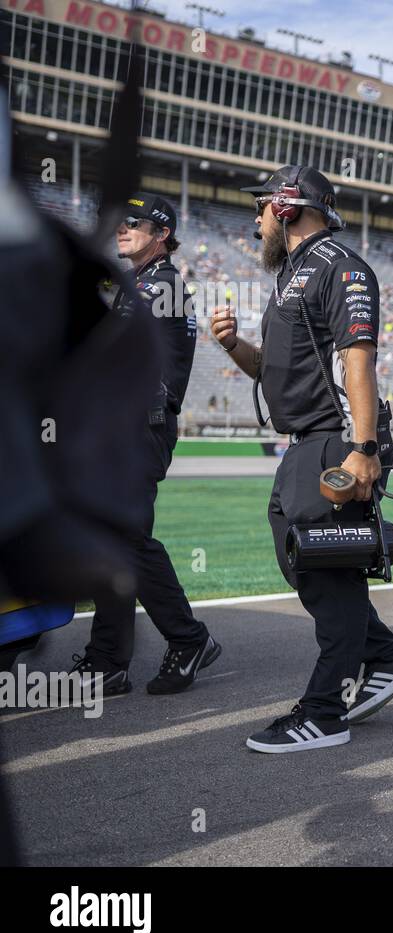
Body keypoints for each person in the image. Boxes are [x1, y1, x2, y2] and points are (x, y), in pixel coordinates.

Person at [210, 165, 393, 753]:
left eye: (259, 210)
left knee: (327, 569)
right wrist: (232, 346)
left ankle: (326, 711)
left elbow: (359, 359)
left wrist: (363, 448)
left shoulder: (339, 266)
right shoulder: (291, 276)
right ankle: (385, 656)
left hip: (334, 438)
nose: (254, 224)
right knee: (298, 552)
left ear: (285, 208)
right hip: (306, 439)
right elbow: (273, 374)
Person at [73, 193, 219, 697]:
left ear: (162, 234)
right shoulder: (143, 285)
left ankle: (188, 638)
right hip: (123, 428)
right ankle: (108, 661)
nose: (121, 228)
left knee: (126, 538)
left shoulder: (161, 286)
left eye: (133, 222)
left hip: (140, 428)